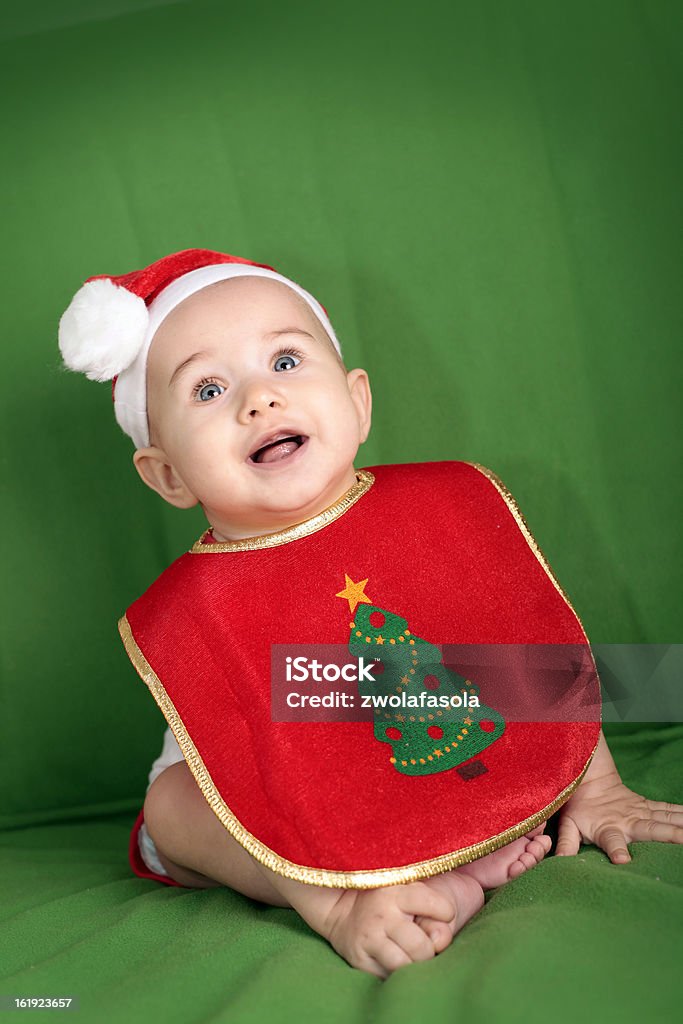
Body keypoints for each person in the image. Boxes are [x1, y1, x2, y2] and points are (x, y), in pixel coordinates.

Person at [58, 249, 683, 979]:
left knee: (505, 671)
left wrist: (595, 786)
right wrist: (317, 884)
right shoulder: (199, 603)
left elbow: (529, 653)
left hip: (420, 708)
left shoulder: (436, 511)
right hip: (264, 776)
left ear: (357, 402)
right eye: (207, 388)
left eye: (285, 362)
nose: (258, 399)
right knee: (172, 807)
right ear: (166, 473)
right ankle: (335, 900)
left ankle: (463, 844)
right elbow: (241, 753)